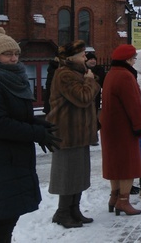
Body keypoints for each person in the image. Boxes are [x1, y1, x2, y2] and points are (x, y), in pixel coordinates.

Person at [0, 26, 61, 241]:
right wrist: (34, 133)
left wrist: (37, 123)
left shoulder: (8, 77)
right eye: (7, 54)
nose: (14, 59)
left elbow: (13, 113)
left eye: (16, 53)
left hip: (10, 160)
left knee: (6, 221)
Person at [47, 40, 101, 228]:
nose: (86, 57)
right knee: (67, 174)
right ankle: (62, 212)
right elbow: (83, 97)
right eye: (82, 54)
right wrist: (90, 81)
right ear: (71, 58)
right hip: (67, 132)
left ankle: (74, 210)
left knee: (78, 173)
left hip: (79, 133)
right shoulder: (64, 74)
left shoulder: (77, 73)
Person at [100, 44, 141, 216]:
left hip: (110, 127)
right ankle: (123, 201)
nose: (135, 61)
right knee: (128, 165)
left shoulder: (111, 74)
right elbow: (133, 105)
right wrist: (140, 126)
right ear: (128, 59)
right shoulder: (126, 76)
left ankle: (114, 197)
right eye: (134, 58)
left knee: (115, 164)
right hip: (124, 128)